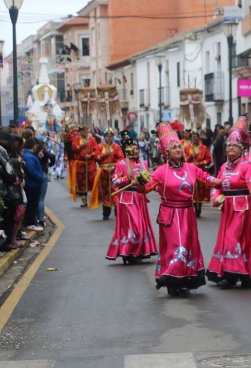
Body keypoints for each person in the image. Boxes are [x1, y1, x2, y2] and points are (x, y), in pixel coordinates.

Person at [148, 123, 221, 296]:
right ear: (167, 152)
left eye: (179, 146)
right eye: (173, 147)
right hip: (170, 214)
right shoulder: (160, 171)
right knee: (177, 246)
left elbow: (207, 178)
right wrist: (140, 182)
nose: (178, 149)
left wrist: (223, 181)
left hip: (187, 213)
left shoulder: (191, 168)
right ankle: (173, 279)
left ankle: (184, 279)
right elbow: (147, 187)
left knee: (188, 246)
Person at [207, 116, 251, 289]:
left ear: (242, 149)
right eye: (229, 146)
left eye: (235, 146)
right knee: (228, 240)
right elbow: (215, 185)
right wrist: (215, 198)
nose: (231, 148)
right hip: (228, 210)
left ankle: (235, 274)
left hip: (244, 211)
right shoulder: (224, 167)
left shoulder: (247, 166)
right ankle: (234, 272)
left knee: (236, 240)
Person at [105, 134, 157, 264]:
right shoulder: (121, 164)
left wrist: (151, 185)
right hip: (127, 199)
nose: (136, 150)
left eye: (137, 148)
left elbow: (149, 180)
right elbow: (115, 181)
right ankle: (128, 252)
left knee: (141, 226)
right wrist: (127, 179)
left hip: (139, 198)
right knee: (133, 227)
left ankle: (137, 252)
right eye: (133, 148)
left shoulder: (143, 163)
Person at [90, 129, 124, 220]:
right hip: (103, 173)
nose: (109, 138)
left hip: (114, 172)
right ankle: (106, 213)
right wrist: (104, 154)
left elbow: (121, 159)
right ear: (104, 137)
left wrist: (115, 166)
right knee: (105, 193)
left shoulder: (117, 147)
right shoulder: (100, 146)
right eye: (107, 136)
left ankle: (118, 211)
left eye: (111, 136)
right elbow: (96, 157)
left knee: (116, 190)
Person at [184, 129, 213, 217]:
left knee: (200, 191)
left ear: (198, 138)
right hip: (190, 172)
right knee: (191, 189)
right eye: (193, 138)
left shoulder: (204, 148)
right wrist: (189, 156)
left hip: (201, 171)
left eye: (196, 137)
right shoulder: (187, 148)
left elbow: (208, 159)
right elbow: (183, 159)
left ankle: (198, 207)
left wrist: (200, 163)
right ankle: (192, 207)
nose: (195, 139)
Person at [70, 126, 98, 207]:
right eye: (82, 131)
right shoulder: (76, 139)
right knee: (82, 183)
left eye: (85, 130)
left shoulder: (92, 139)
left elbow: (96, 150)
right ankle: (84, 202)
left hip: (91, 163)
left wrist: (91, 155)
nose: (84, 132)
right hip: (81, 164)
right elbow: (74, 148)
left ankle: (94, 199)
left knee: (93, 180)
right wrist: (82, 145)